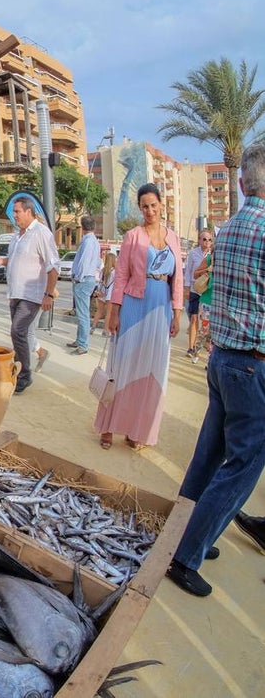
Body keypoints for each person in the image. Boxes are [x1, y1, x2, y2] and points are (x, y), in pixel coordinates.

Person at [167, 143, 265, 597]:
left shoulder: (226, 231)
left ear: (241, 184)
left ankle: (184, 534)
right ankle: (185, 555)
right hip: (251, 364)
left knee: (209, 454)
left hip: (222, 357)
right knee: (243, 463)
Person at [95, 183, 183, 451]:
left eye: (153, 205)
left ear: (161, 205)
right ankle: (108, 427)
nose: (150, 210)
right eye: (144, 206)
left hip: (161, 309)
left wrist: (177, 314)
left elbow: (178, 279)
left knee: (151, 370)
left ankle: (136, 429)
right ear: (140, 208)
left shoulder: (173, 238)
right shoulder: (132, 236)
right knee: (122, 365)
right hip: (134, 306)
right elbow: (121, 275)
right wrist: (113, 312)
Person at [5, 197, 59, 394]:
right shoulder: (17, 236)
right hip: (15, 293)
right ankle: (18, 371)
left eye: (17, 211)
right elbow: (15, 260)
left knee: (18, 331)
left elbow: (53, 266)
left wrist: (48, 294)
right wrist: (2, 262)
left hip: (31, 294)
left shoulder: (41, 233)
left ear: (29, 211)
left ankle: (24, 375)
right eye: (14, 212)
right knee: (19, 334)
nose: (14, 215)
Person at [66, 215, 102, 355]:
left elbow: (83, 262)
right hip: (89, 278)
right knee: (82, 312)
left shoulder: (87, 241)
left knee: (82, 314)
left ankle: (83, 344)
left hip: (83, 279)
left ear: (82, 227)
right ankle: (79, 340)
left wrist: (78, 278)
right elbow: (97, 262)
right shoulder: (94, 241)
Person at [182, 230, 213, 363]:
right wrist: (186, 289)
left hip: (207, 291)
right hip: (195, 289)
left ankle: (205, 346)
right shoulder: (193, 254)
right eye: (204, 239)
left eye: (209, 239)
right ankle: (191, 347)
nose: (207, 242)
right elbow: (189, 272)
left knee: (207, 322)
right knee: (194, 318)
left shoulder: (213, 255)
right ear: (199, 240)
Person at [90, 252, 117, 334]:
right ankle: (105, 330)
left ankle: (93, 328)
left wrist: (98, 292)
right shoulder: (115, 271)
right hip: (110, 293)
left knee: (99, 311)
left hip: (102, 292)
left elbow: (100, 282)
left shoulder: (103, 270)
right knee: (109, 313)